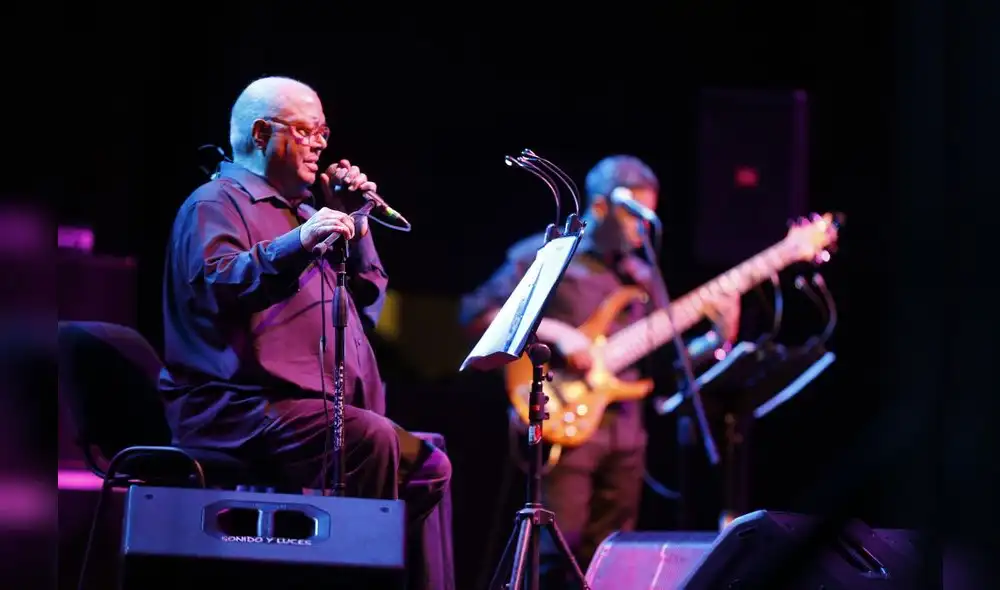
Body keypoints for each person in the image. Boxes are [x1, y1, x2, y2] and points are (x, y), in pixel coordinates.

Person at [159, 76, 451, 590]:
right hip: (239, 406)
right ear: (260, 133)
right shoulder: (216, 202)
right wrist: (298, 243)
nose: (319, 143)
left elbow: (368, 302)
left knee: (429, 464)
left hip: (313, 411)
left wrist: (356, 218)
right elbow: (220, 283)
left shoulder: (307, 212)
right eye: (305, 130)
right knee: (370, 439)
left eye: (323, 132)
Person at [458, 155, 741, 587]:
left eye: (649, 216)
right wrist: (559, 333)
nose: (643, 228)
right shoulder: (545, 253)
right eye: (634, 215)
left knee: (613, 555)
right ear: (601, 206)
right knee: (557, 550)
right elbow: (478, 314)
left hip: (626, 430)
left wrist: (717, 338)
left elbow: (671, 364)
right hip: (565, 421)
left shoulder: (642, 275)